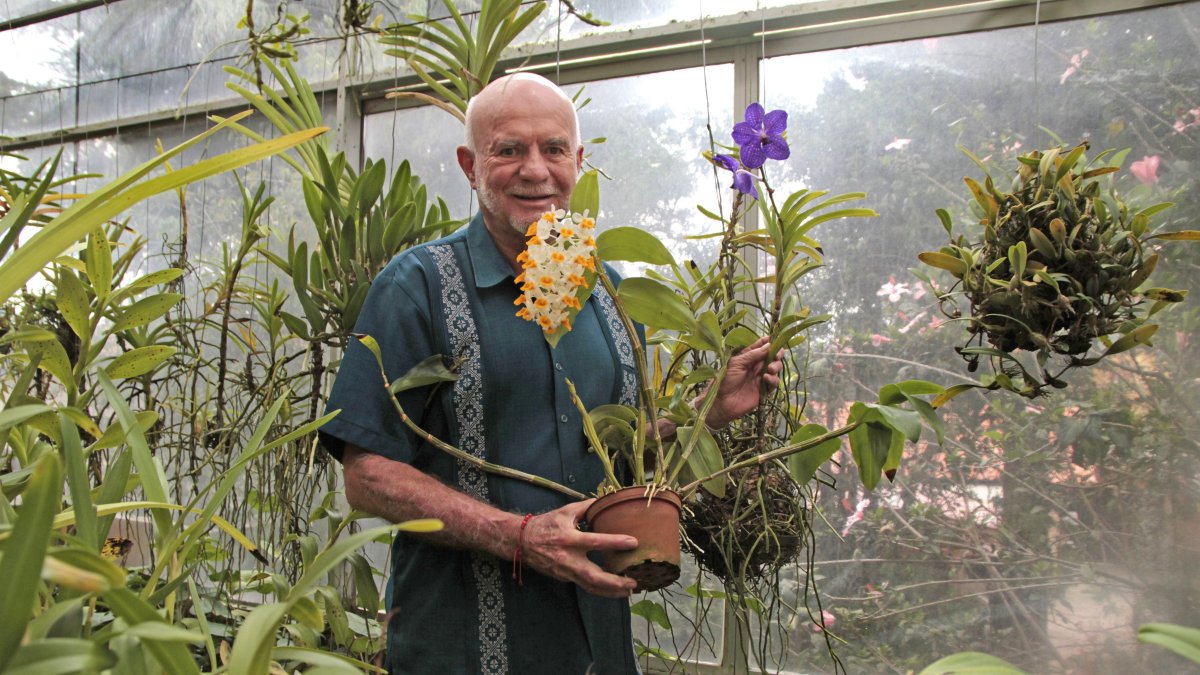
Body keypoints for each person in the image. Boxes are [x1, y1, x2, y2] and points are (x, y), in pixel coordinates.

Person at [320, 73, 783, 675]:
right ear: (469, 165)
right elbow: (369, 475)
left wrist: (704, 412)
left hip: (596, 641)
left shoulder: (611, 293)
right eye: (508, 149)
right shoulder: (418, 288)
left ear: (578, 160)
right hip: (460, 643)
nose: (535, 170)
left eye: (554, 149)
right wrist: (518, 536)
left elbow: (610, 449)